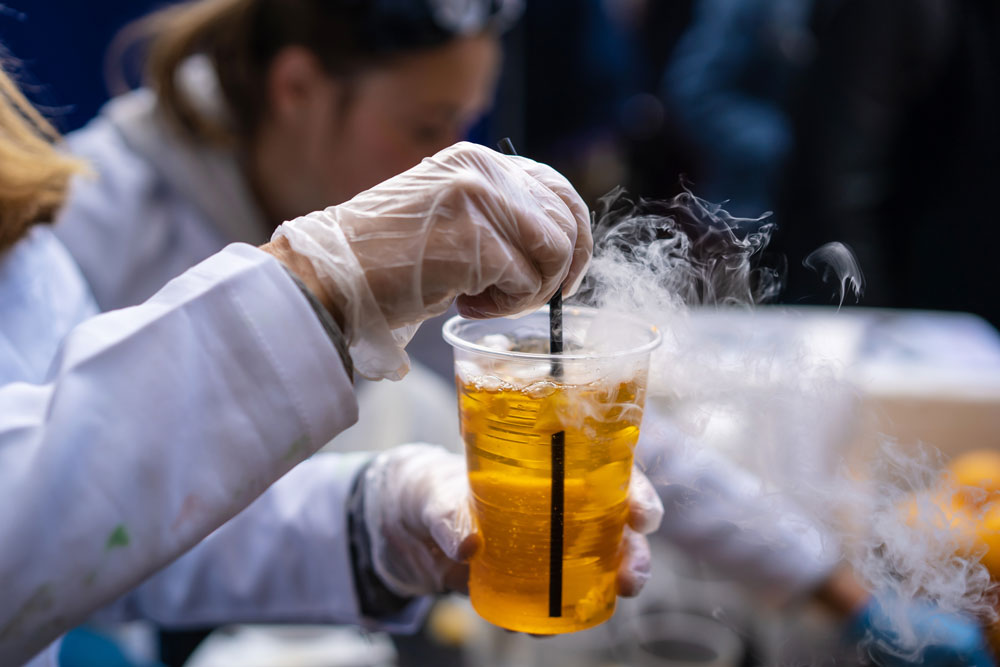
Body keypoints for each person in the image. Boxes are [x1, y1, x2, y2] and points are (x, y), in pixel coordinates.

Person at [0, 57, 665, 665]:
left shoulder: (23, 219)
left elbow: (109, 509)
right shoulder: (108, 206)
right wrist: (319, 281)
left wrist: (373, 522)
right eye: (427, 123)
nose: (445, 146)